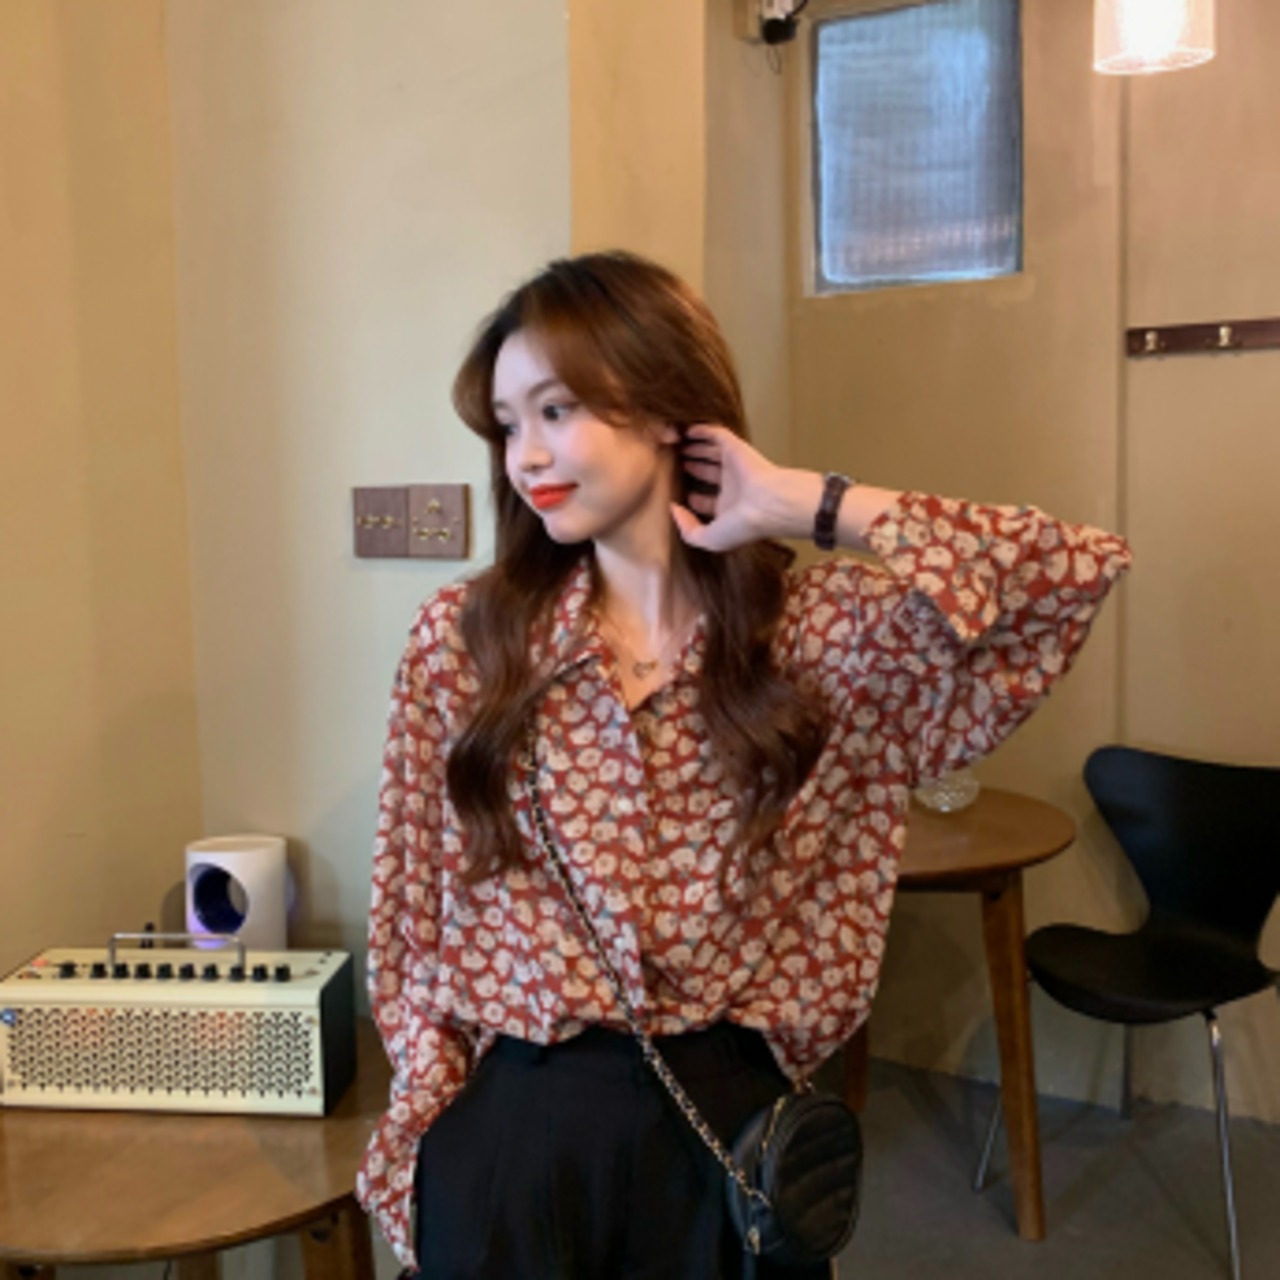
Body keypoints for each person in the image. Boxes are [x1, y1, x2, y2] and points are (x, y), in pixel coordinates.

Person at [356, 251, 1132, 1278]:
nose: (524, 454)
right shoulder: (467, 641)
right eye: (506, 423)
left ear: (665, 406)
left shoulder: (817, 640)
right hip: (516, 1130)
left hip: (727, 1126)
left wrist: (808, 502)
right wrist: (426, 1135)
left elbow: (1066, 574)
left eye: (557, 409)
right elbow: (408, 915)